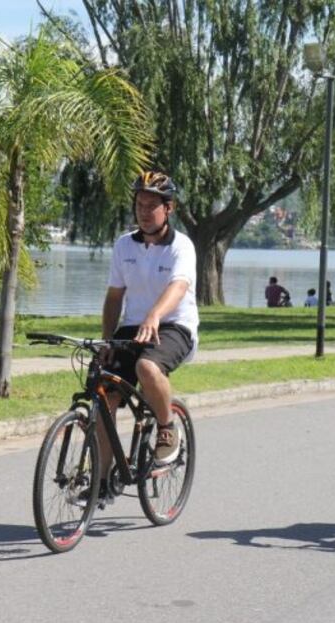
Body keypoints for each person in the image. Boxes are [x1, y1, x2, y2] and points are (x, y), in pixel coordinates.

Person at [101, 171, 199, 471]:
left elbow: (178, 286)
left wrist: (155, 315)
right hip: (132, 327)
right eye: (139, 205)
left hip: (174, 326)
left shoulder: (181, 246)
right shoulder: (124, 246)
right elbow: (115, 297)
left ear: (168, 208)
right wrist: (107, 340)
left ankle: (167, 427)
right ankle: (101, 480)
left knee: (147, 366)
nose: (143, 212)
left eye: (151, 206)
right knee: (103, 397)